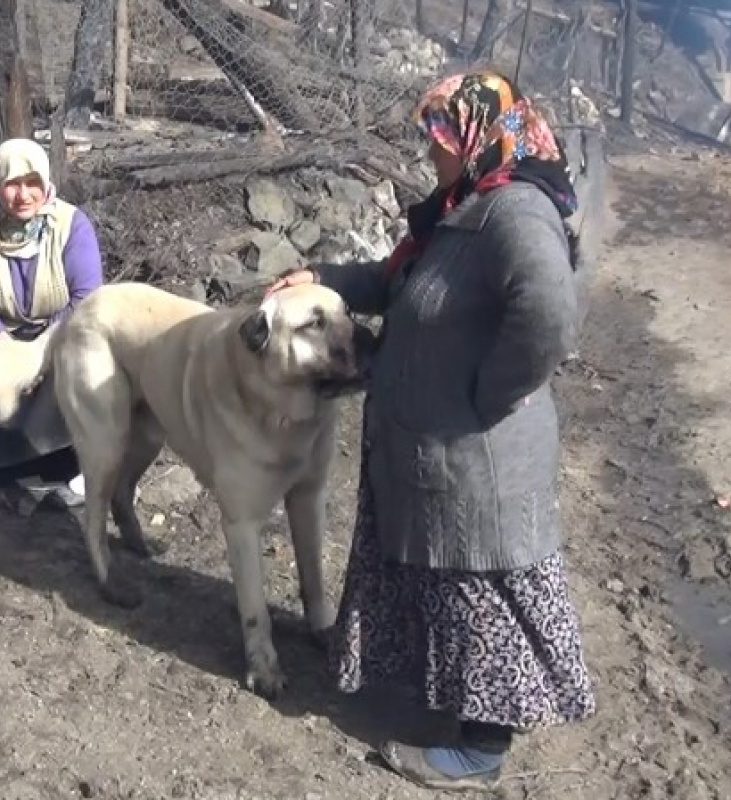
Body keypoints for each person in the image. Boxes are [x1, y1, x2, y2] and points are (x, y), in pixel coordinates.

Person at [267, 71, 596, 791]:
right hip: (436, 446)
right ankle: (446, 694)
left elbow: (548, 314)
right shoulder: (462, 207)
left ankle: (481, 747)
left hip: (476, 451)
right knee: (445, 580)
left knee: (479, 588)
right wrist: (318, 277)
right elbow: (395, 287)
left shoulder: (513, 212)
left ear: (481, 134)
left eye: (440, 138)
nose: (431, 152)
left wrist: (490, 389)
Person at [0, 138, 103, 521]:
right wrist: (7, 348)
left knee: (81, 378)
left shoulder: (71, 225)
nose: (23, 195)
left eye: (32, 183)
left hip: (61, 330)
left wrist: (43, 349)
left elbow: (87, 296)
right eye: (12, 183)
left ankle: (85, 471)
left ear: (46, 183)